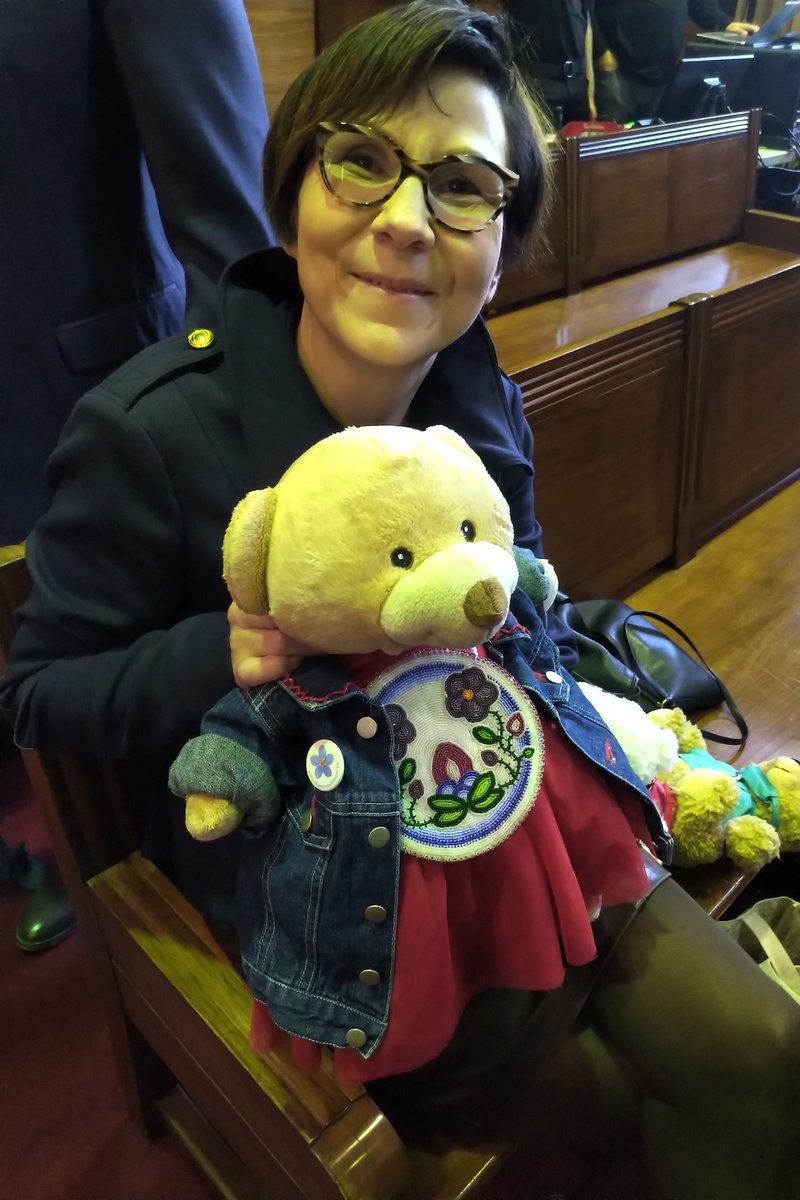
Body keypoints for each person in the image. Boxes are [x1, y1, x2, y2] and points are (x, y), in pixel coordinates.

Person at [1, 4, 798, 1196]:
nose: (404, 221)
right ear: (295, 186)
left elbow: (522, 598)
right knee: (663, 1101)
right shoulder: (153, 430)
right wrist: (232, 649)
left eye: (462, 185)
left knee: (768, 1061)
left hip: (532, 823)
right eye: (362, 161)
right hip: (345, 908)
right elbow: (38, 696)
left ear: (502, 238)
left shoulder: (477, 401)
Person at [0, 0, 274, 951]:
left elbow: (229, 206)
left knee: (81, 677)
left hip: (61, 398)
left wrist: (249, 394)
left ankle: (108, 864)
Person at [593, 0, 758, 121]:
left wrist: (726, 24)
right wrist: (601, 53)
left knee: (654, 148)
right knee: (610, 149)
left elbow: (697, 3)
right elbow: (586, 9)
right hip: (619, 73)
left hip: (664, 74)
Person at [503, 0, 594, 125]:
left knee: (581, 143)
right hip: (538, 82)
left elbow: (586, 24)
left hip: (578, 83)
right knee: (542, 142)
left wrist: (591, 93)